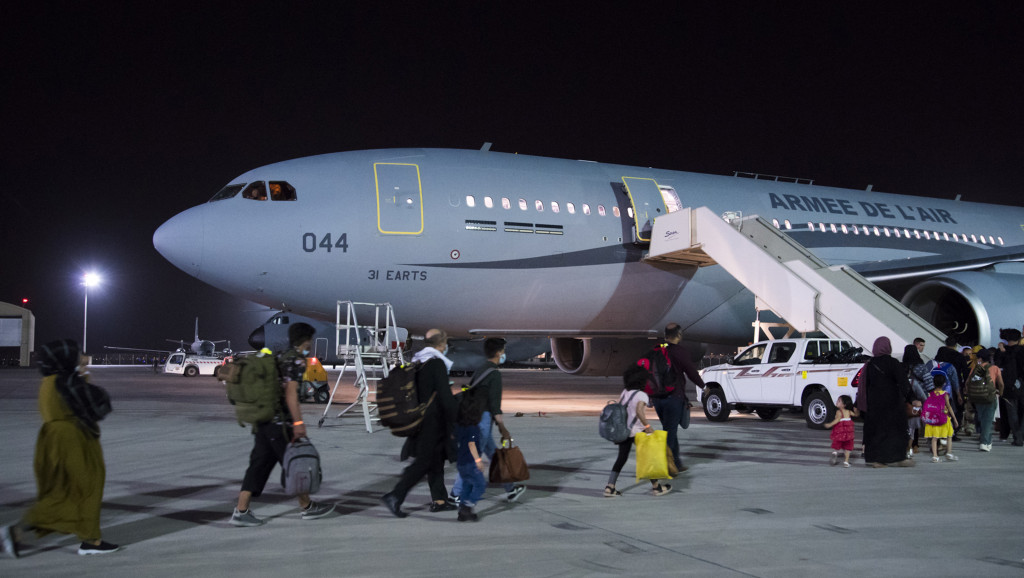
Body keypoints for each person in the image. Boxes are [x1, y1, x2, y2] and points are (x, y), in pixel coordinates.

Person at [2, 339, 118, 557]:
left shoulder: (50, 379)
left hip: (54, 441)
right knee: (86, 489)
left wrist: (81, 372)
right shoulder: (67, 381)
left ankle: (19, 531)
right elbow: (98, 402)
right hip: (73, 441)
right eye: (75, 355)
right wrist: (83, 374)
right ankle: (90, 541)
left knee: (63, 491)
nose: (80, 357)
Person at [231, 323, 335, 526]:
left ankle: (241, 511)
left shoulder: (280, 356)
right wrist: (298, 422)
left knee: (258, 466)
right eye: (310, 340)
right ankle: (307, 507)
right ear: (305, 340)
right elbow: (290, 395)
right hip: (280, 424)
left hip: (265, 420)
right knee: (296, 463)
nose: (311, 344)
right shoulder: (296, 360)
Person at [380, 329, 459, 517]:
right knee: (423, 462)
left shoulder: (419, 361)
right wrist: (458, 418)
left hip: (421, 417)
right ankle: (396, 495)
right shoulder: (437, 363)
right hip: (433, 420)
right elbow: (445, 398)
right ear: (442, 344)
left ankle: (439, 500)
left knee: (435, 459)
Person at [449, 338, 526, 505]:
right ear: (498, 353)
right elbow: (494, 405)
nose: (504, 354)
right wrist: (503, 428)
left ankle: (510, 488)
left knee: (494, 456)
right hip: (483, 420)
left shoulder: (481, 369)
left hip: (475, 417)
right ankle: (455, 494)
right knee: (471, 458)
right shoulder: (494, 374)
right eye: (503, 351)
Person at [604, 366, 672, 497]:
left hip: (624, 430)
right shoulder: (642, 395)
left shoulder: (625, 392)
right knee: (648, 458)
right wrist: (648, 426)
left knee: (621, 458)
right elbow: (639, 411)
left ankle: (610, 486)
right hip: (637, 432)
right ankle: (656, 488)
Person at [859, 336, 916, 467]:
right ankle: (898, 457)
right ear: (888, 347)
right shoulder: (893, 363)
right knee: (897, 430)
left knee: (875, 431)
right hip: (892, 404)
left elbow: (864, 386)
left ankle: (876, 459)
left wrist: (861, 404)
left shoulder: (869, 364)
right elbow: (903, 382)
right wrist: (912, 398)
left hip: (874, 404)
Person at [660, 323, 705, 473]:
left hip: (658, 399)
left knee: (669, 430)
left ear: (666, 335)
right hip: (674, 397)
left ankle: (677, 463)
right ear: (679, 335)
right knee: (670, 433)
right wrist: (704, 386)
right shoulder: (681, 352)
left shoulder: (658, 351)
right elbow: (691, 372)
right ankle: (667, 465)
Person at [454, 391, 487, 522]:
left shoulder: (459, 426)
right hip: (470, 462)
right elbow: (472, 444)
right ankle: (468, 506)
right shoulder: (473, 428)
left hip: (461, 462)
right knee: (480, 485)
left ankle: (462, 510)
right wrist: (478, 460)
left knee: (467, 485)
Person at [996, 328, 1023, 446]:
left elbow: (996, 367)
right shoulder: (1022, 351)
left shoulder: (1001, 352)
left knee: (1011, 414)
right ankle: (1020, 435)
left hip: (1007, 387)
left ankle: (1017, 437)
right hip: (1022, 385)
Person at [923, 374, 958, 462]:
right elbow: (949, 406)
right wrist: (954, 418)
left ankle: (935, 456)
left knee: (934, 438)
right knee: (949, 435)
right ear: (943, 384)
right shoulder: (945, 394)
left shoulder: (930, 394)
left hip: (933, 419)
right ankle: (949, 453)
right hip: (943, 418)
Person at [972, 349, 1003, 451]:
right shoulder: (995, 368)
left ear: (980, 358)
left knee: (982, 418)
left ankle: (987, 440)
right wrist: (1001, 393)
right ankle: (984, 442)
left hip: (977, 396)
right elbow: (1001, 383)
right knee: (988, 420)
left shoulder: (976, 368)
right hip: (990, 396)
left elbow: (969, 382)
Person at [825, 395, 858, 467]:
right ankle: (846, 462)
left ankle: (835, 453)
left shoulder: (839, 412)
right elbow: (856, 415)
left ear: (844, 405)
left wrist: (830, 424)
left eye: (839, 401)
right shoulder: (849, 412)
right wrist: (856, 410)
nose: (837, 402)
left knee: (837, 443)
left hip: (840, 433)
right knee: (848, 447)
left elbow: (837, 420)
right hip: (849, 434)